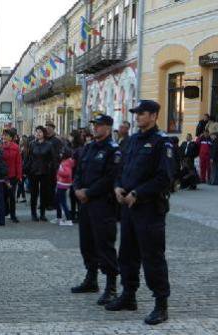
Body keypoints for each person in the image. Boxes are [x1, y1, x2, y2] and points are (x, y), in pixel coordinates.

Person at [107, 100, 173, 325]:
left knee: (152, 257)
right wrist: (118, 186)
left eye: (142, 113)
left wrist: (137, 193)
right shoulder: (133, 141)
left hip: (149, 209)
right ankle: (128, 296)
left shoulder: (162, 143)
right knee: (127, 254)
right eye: (136, 114)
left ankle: (161, 305)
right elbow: (121, 169)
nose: (137, 117)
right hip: (128, 208)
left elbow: (165, 178)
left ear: (154, 115)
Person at [71, 114, 120, 306]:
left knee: (104, 245)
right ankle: (91, 279)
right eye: (94, 125)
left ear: (107, 128)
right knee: (87, 243)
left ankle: (111, 286)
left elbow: (110, 178)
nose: (95, 128)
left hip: (103, 204)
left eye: (98, 125)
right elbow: (78, 173)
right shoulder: (89, 148)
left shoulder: (112, 150)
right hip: (85, 204)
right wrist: (77, 189)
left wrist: (89, 192)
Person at [27, 126, 57, 222]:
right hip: (33, 172)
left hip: (45, 172)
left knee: (44, 194)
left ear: (44, 133)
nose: (38, 134)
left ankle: (42, 214)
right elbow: (28, 158)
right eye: (37, 132)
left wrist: (51, 168)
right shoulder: (32, 144)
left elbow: (53, 159)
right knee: (34, 194)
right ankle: (33, 214)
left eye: (40, 132)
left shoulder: (49, 144)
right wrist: (27, 169)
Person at [2, 129, 22, 223]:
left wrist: (19, 175)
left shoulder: (16, 147)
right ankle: (6, 212)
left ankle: (13, 215)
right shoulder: (0, 147)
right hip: (3, 175)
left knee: (12, 196)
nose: (4, 137)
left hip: (13, 175)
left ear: (11, 137)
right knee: (4, 195)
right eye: (4, 135)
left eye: (6, 135)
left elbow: (18, 162)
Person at [53, 146, 74, 226]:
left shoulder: (66, 162)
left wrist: (59, 172)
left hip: (63, 184)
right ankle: (59, 217)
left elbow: (67, 173)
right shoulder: (66, 161)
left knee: (63, 202)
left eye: (61, 153)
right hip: (61, 183)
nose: (60, 154)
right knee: (58, 200)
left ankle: (68, 219)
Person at [45, 120, 63, 210]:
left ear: (53, 128)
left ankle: (52, 204)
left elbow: (60, 154)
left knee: (52, 186)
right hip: (44, 166)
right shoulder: (44, 139)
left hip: (53, 167)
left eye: (49, 127)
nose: (47, 129)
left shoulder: (56, 141)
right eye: (46, 127)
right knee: (45, 186)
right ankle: (45, 203)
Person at [16, 135, 29, 203]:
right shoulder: (21, 148)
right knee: (20, 183)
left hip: (23, 170)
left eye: (21, 140)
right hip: (21, 169)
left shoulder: (25, 150)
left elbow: (24, 162)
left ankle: (18, 197)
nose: (19, 141)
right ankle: (23, 197)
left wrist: (23, 172)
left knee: (20, 183)